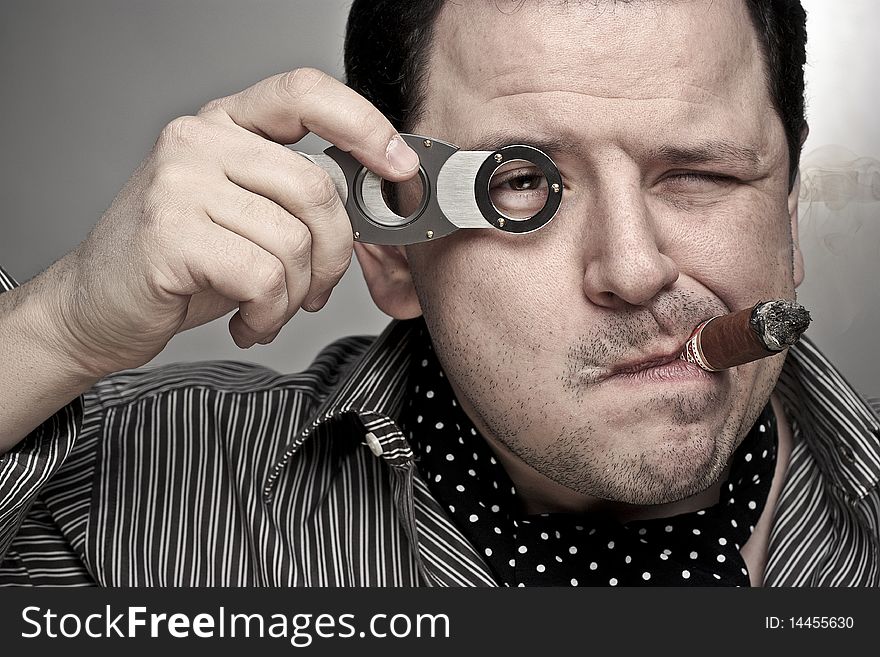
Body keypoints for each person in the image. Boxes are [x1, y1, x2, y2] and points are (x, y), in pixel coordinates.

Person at [1, 0, 878, 587]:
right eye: (524, 187)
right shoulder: (117, 501)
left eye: (702, 173)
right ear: (389, 252)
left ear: (789, 214)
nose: (635, 267)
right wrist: (53, 331)